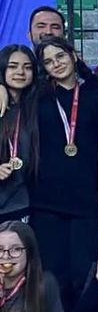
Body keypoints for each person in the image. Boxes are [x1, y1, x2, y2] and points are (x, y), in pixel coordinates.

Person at [30, 38, 98, 308]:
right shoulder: (37, 97)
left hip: (86, 199)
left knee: (84, 272)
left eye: (60, 56)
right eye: (48, 62)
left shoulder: (97, 94)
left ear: (73, 55)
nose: (56, 64)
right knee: (52, 276)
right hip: (46, 200)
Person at [0, 45, 37, 222]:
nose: (20, 72)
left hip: (21, 205)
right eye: (12, 66)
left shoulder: (35, 106)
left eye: (27, 67)